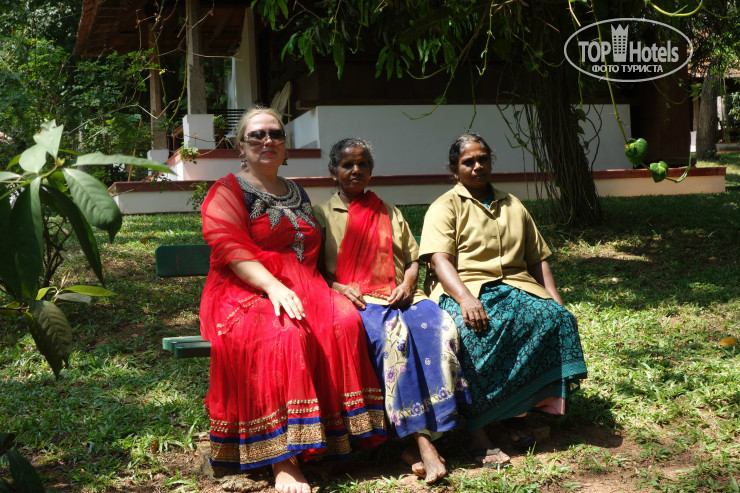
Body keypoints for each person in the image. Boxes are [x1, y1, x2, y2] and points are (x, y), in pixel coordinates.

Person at [199, 109, 386, 493]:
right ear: (241, 146)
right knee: (284, 334)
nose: (267, 140)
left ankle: (334, 439)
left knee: (344, 321)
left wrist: (332, 287)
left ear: (285, 146)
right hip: (244, 290)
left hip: (305, 287)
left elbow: (310, 252)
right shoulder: (227, 191)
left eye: (276, 134)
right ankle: (282, 458)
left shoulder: (297, 191)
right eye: (257, 135)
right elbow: (230, 249)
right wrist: (274, 287)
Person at [419, 133, 588, 467]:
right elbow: (439, 260)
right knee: (473, 335)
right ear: (454, 169)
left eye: (483, 159)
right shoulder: (445, 207)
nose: (477, 166)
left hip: (516, 286)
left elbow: (538, 259)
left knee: (554, 319)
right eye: (468, 162)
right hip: (465, 288)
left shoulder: (513, 204)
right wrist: (466, 299)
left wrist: (556, 300)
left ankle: (519, 411)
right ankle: (476, 429)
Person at [312, 138, 471, 483]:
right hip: (356, 301)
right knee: (392, 340)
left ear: (371, 171)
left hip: (401, 295)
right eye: (347, 165)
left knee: (441, 328)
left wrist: (410, 283)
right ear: (333, 171)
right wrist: (338, 287)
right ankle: (421, 442)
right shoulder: (321, 214)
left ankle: (441, 428)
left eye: (362, 164)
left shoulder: (388, 211)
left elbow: (413, 258)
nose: (355, 170)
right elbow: (314, 268)